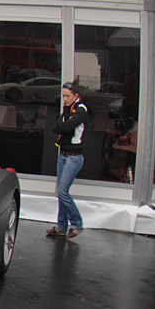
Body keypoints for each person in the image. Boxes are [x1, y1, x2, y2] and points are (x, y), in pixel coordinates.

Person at [46, 82, 89, 239]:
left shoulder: (81, 110)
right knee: (61, 192)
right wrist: (62, 124)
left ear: (76, 96)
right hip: (63, 155)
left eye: (67, 96)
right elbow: (57, 126)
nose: (64, 99)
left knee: (63, 192)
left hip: (74, 157)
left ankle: (77, 224)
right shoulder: (67, 109)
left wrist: (62, 125)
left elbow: (64, 127)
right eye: (63, 96)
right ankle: (61, 227)